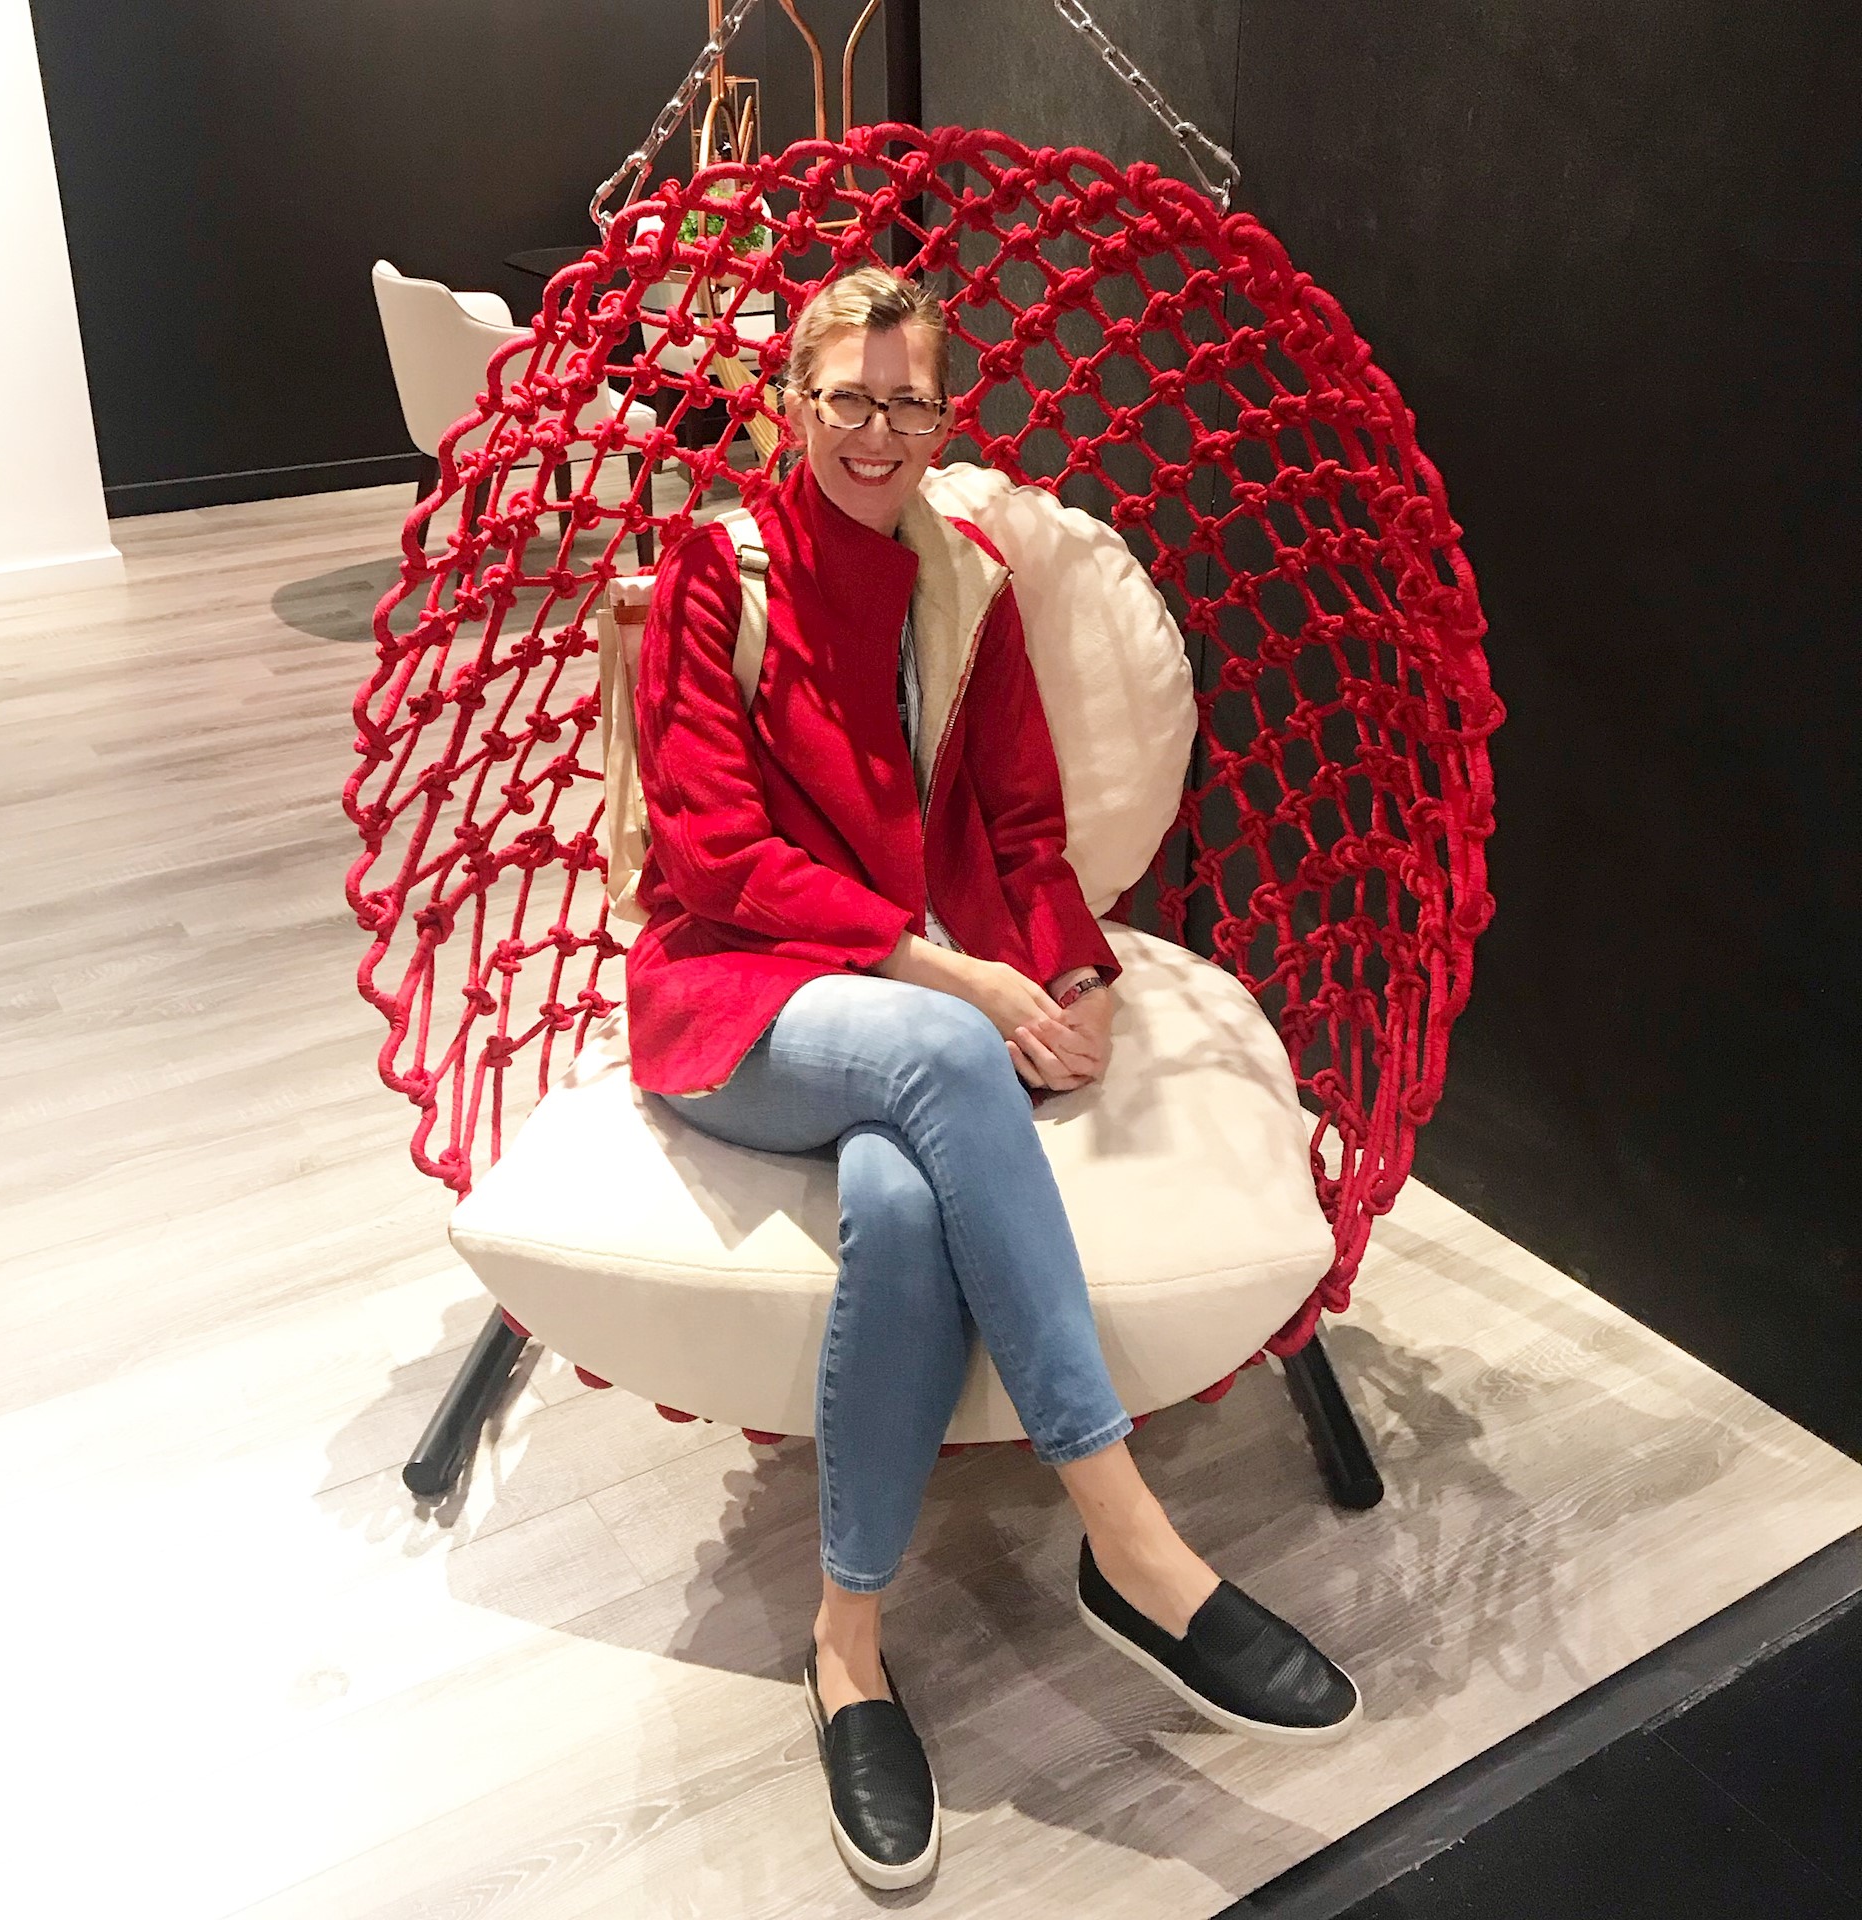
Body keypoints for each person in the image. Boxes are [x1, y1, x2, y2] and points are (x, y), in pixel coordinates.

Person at [627, 264, 1358, 1891]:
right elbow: (717, 855)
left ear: (944, 418)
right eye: (849, 399)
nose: (878, 434)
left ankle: (848, 1647)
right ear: (792, 402)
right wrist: (949, 967)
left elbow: (1025, 830)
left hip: (896, 1031)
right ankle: (1130, 1539)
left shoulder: (968, 578)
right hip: (739, 998)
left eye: (911, 404)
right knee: (951, 1047)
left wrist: (1082, 974)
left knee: (902, 1194)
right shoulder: (715, 563)